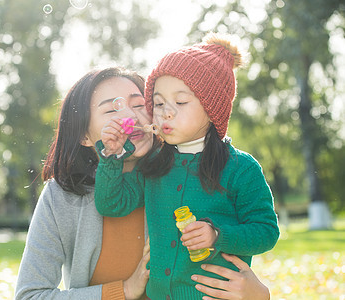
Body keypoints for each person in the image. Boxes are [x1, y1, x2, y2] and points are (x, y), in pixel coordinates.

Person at [15, 67, 271, 299]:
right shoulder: (62, 197)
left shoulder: (186, 173)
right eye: (111, 109)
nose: (131, 117)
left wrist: (259, 296)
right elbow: (30, 296)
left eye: (139, 105)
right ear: (83, 135)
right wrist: (123, 290)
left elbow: (253, 234)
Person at [94, 33, 279, 299]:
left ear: (212, 109)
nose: (166, 112)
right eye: (158, 103)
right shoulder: (154, 165)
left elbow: (266, 232)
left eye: (180, 102)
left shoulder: (241, 168)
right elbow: (111, 204)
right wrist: (112, 156)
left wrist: (217, 235)